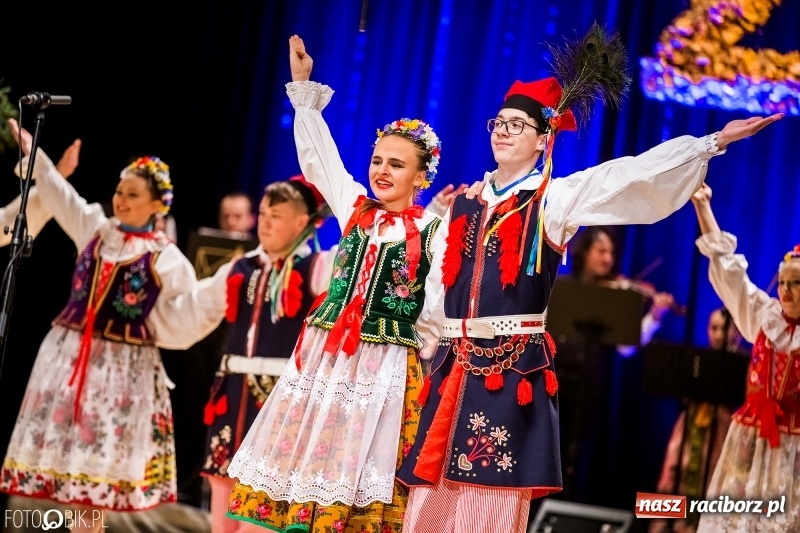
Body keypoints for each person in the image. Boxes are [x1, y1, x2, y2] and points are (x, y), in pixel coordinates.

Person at [395, 22, 782, 532]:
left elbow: (629, 175)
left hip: (507, 371)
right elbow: (436, 282)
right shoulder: (464, 202)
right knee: (431, 496)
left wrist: (710, 143)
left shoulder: (553, 199)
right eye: (498, 122)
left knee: (486, 500)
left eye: (517, 125)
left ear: (542, 141)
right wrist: (420, 340)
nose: (503, 130)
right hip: (452, 366)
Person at [223, 35, 445, 532]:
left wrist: (422, 347)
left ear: (420, 176)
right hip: (328, 357)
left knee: (355, 474)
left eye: (397, 164)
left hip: (382, 365)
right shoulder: (356, 209)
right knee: (306, 465)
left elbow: (437, 307)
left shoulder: (434, 231)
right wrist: (302, 88)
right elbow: (320, 160)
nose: (383, 171)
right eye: (379, 160)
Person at [0, 119, 230, 532]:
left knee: (98, 470)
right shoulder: (95, 228)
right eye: (120, 191)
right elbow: (59, 192)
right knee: (69, 469)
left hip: (121, 371)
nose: (121, 200)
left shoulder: (166, 257)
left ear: (158, 204)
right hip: (70, 360)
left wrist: (231, 278)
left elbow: (190, 311)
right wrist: (36, 157)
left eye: (132, 194)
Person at [200, 175, 336, 533]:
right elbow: (191, 310)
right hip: (231, 396)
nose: (265, 221)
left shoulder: (318, 268)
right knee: (221, 487)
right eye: (261, 213)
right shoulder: (241, 266)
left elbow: (359, 251)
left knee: (262, 503)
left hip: (279, 400)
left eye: (276, 214)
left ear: (302, 222)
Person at [690, 182, 800, 532]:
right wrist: (702, 205)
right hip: (750, 439)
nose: (784, 290)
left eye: (795, 283)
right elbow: (727, 270)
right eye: (783, 282)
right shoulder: (764, 317)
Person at [650, 306, 746, 533]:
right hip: (691, 426)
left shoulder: (740, 364)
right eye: (713, 328)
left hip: (723, 429)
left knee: (715, 480)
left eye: (724, 329)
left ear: (735, 332)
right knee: (675, 473)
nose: (718, 334)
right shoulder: (698, 360)